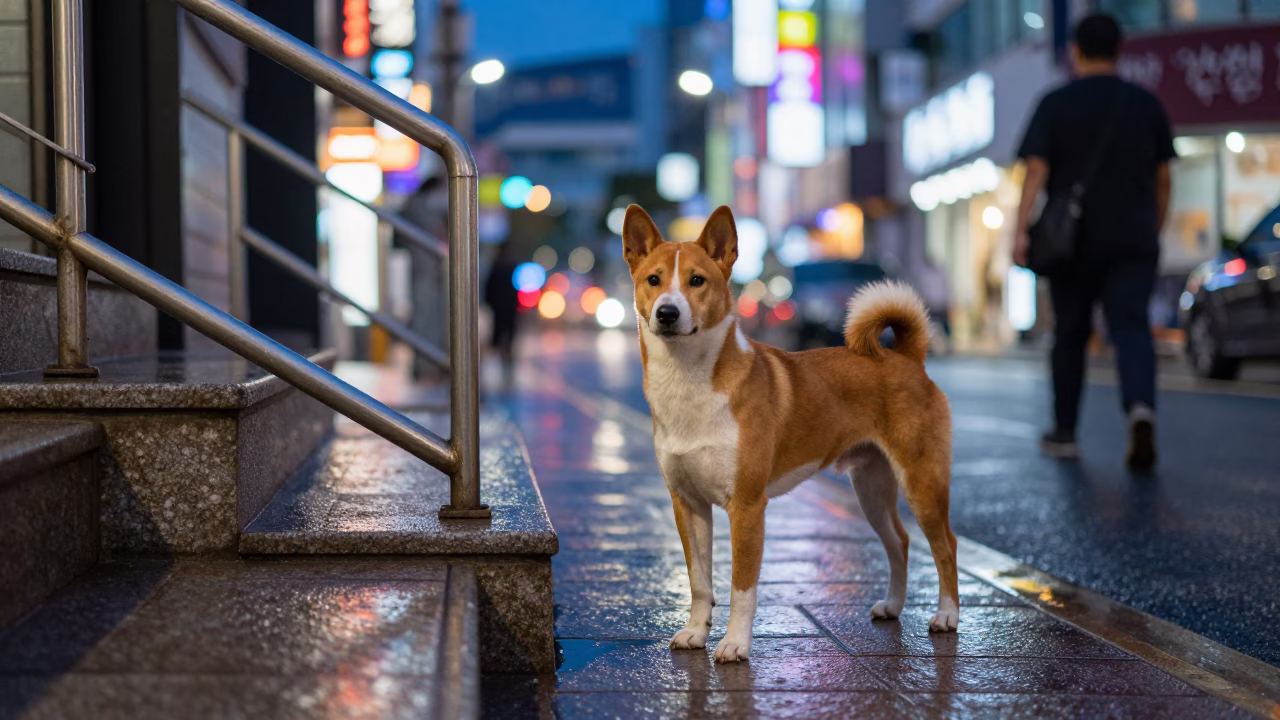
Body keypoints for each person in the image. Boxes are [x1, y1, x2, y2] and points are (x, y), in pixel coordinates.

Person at [1013, 13, 1174, 472]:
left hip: (1072, 243)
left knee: (1070, 333)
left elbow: (1037, 170)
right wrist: (1153, 227)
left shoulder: (1056, 103)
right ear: (1121, 51)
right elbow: (1163, 177)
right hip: (1134, 236)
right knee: (1130, 329)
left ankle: (1064, 432)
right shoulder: (1145, 104)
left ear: (1075, 51)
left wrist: (1021, 230)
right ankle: (1140, 408)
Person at [396, 176, 450, 381]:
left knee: (432, 319)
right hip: (424, 269)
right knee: (424, 319)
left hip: (430, 269)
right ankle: (424, 366)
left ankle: (430, 365)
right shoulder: (419, 207)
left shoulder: (421, 207)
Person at [483, 240, 520, 390]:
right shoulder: (509, 268)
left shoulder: (497, 267)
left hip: (501, 311)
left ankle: (505, 372)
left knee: (500, 342)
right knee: (505, 342)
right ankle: (506, 372)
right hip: (507, 311)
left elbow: (488, 290)